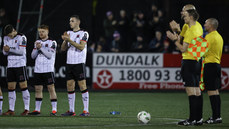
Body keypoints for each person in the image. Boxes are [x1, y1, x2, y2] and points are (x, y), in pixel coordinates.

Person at [167, 5, 203, 125]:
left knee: (191, 92)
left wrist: (173, 39)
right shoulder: (197, 26)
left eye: (185, 14)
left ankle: (192, 119)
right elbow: (182, 39)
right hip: (198, 61)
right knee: (197, 91)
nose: (183, 16)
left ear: (191, 15)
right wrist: (177, 31)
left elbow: (182, 48)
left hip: (189, 62)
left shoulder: (191, 30)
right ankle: (199, 119)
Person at [61, 15, 90, 116]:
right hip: (69, 63)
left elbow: (81, 47)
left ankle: (86, 110)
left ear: (78, 22)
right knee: (70, 86)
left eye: (72, 21)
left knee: (82, 86)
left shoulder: (84, 33)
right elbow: (63, 49)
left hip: (79, 62)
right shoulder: (68, 33)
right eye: (70, 21)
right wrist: (65, 40)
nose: (70, 23)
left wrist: (69, 40)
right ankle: (71, 111)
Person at [29, 25, 57, 116]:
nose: (41, 33)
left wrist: (41, 48)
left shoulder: (52, 42)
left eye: (43, 31)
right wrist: (37, 48)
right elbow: (32, 56)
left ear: (47, 32)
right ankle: (37, 110)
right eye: (40, 32)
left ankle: (54, 109)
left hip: (48, 69)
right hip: (38, 70)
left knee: (51, 88)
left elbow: (49, 55)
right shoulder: (37, 42)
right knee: (38, 89)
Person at [2, 24, 30, 116]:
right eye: (8, 35)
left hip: (20, 65)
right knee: (10, 88)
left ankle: (26, 109)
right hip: (10, 65)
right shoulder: (5, 38)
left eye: (10, 34)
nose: (9, 37)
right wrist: (6, 50)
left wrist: (9, 49)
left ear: (14, 30)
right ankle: (11, 109)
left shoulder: (22, 37)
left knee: (23, 86)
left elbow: (21, 52)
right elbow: (4, 52)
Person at [203, 18, 223, 124]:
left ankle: (215, 117)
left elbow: (202, 51)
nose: (204, 25)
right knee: (215, 91)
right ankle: (217, 116)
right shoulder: (219, 36)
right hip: (216, 65)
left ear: (211, 25)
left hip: (210, 65)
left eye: (206, 23)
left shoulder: (209, 36)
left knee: (211, 91)